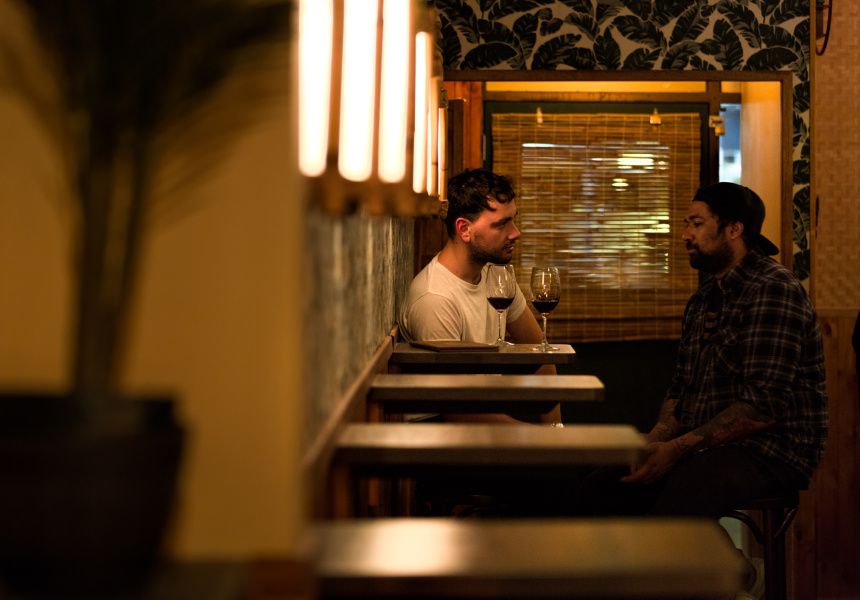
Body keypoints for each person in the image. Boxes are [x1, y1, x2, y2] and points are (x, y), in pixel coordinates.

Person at [575, 182, 828, 599]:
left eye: (696, 223)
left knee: (675, 508)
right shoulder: (705, 297)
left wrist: (676, 450)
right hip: (708, 444)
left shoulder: (773, 288)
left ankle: (733, 576)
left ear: (734, 229)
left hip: (773, 448)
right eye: (686, 224)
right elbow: (681, 386)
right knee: (604, 486)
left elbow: (763, 407)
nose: (685, 234)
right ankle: (733, 570)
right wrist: (657, 439)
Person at [398, 168, 560, 425]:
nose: (515, 232)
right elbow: (459, 412)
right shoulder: (435, 298)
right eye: (502, 224)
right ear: (464, 229)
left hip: (483, 428)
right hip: (438, 438)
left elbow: (540, 356)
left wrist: (555, 430)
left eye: (513, 220)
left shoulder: (496, 277)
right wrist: (544, 440)